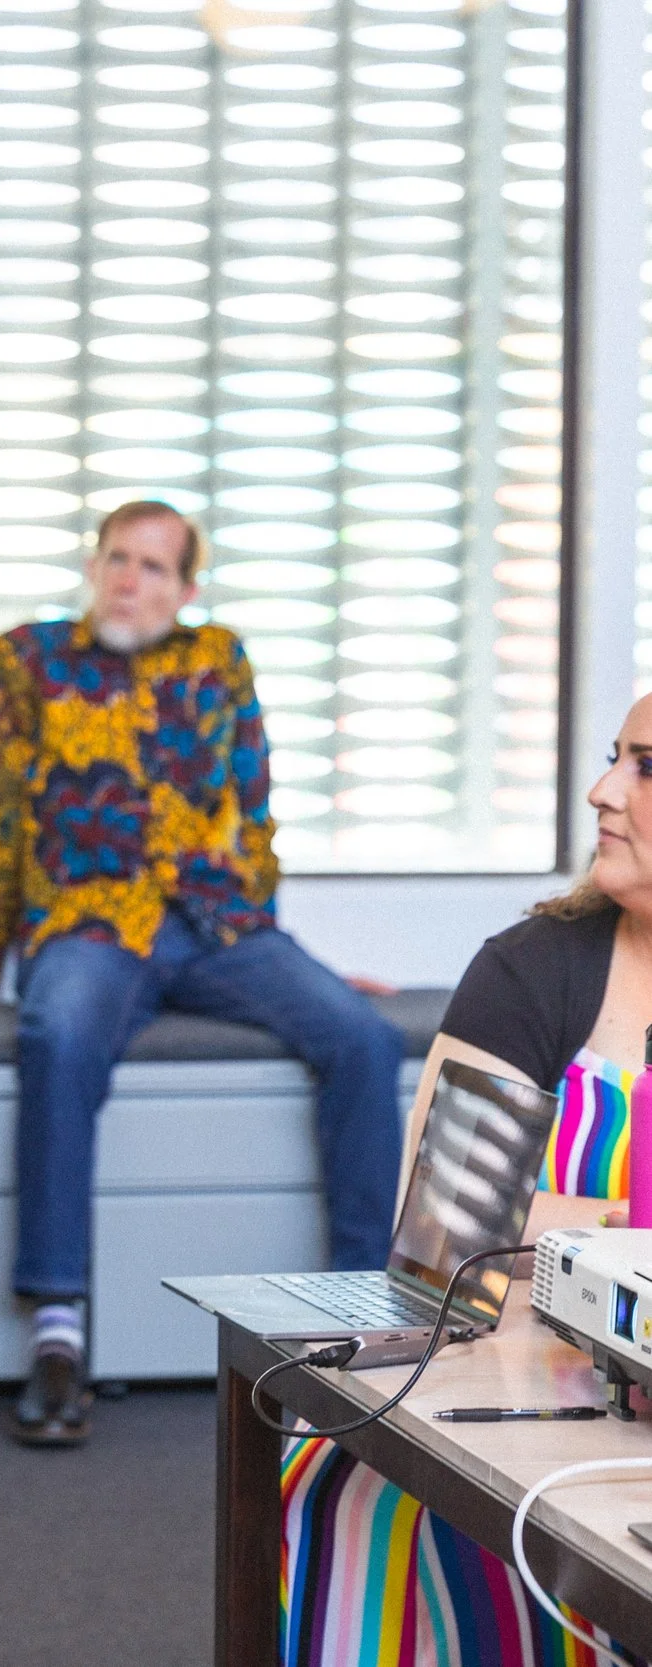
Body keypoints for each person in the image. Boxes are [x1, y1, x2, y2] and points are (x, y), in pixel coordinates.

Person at [0, 500, 403, 1448]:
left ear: (186, 588)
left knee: (363, 1034)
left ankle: (361, 1316)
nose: (132, 579)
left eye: (155, 567)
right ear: (94, 567)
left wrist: (286, 952)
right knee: (56, 1034)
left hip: (216, 923)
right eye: (118, 559)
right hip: (89, 920)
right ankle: (57, 1333)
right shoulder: (28, 657)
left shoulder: (218, 660)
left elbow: (254, 809)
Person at [280, 694, 652, 1662]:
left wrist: (570, 1223)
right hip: (512, 1408)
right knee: (383, 1513)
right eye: (615, 757)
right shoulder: (532, 969)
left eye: (644, 766)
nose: (601, 789)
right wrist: (624, 1220)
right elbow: (449, 1220)